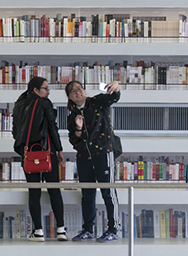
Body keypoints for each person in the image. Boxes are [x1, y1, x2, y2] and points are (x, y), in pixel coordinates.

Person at [65, 80, 122, 241]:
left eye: (79, 89)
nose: (78, 92)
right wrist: (78, 128)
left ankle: (113, 229)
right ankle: (88, 229)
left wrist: (116, 87)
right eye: (73, 91)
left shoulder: (97, 102)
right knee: (87, 194)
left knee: (108, 192)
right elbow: (74, 141)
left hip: (103, 153)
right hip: (84, 157)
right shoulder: (72, 116)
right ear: (69, 97)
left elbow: (114, 97)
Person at [13, 75, 67, 241]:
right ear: (36, 90)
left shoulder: (18, 105)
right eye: (46, 88)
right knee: (54, 190)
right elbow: (52, 127)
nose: (48, 92)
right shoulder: (44, 103)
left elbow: (15, 132)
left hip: (28, 155)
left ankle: (38, 231)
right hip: (46, 152)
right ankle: (61, 230)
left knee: (34, 192)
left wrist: (24, 150)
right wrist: (59, 149)